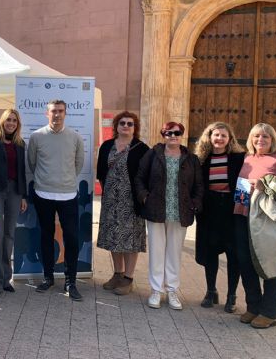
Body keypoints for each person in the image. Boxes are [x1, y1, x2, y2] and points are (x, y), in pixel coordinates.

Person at [135, 121, 203, 310]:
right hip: (156, 208)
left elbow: (198, 185)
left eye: (177, 133)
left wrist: (195, 203)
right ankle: (156, 290)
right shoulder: (153, 154)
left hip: (180, 210)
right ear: (163, 135)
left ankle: (172, 290)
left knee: (174, 252)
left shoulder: (191, 159)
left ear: (182, 135)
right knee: (157, 251)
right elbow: (139, 177)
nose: (173, 136)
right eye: (168, 133)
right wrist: (144, 197)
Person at [27, 99, 85, 301]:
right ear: (47, 113)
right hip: (43, 194)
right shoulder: (36, 137)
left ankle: (71, 282)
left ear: (65, 113)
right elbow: (32, 163)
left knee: (72, 238)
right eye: (53, 111)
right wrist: (46, 181)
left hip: (68, 195)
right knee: (46, 236)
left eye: (61, 111)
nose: (57, 114)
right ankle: (48, 277)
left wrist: (65, 181)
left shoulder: (75, 137)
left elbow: (78, 164)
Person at [234, 123, 276, 329]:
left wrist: (265, 183)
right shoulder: (247, 158)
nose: (260, 140)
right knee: (246, 263)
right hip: (242, 214)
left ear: (272, 138)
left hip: (267, 219)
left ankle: (269, 313)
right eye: (256, 136)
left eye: (265, 136)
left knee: (270, 263)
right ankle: (253, 307)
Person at [96, 111, 149, 296]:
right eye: (122, 123)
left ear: (135, 128)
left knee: (130, 239)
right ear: (116, 126)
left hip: (131, 202)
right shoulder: (107, 146)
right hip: (111, 201)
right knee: (113, 237)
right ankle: (117, 274)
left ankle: (128, 278)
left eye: (130, 123)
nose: (126, 126)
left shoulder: (142, 148)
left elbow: (146, 176)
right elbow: (101, 173)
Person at [193, 122, 244, 313]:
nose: (219, 139)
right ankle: (210, 290)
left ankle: (232, 296)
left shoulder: (239, 158)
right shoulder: (201, 159)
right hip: (209, 210)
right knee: (210, 251)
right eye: (216, 135)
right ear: (209, 137)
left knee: (233, 254)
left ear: (230, 139)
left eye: (224, 135)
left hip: (231, 210)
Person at [0, 109, 27, 297]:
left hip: (15, 192)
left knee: (9, 234)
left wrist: (23, 196)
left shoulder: (20, 143)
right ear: (2, 121)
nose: (11, 123)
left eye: (14, 120)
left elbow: (23, 171)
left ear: (18, 124)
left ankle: (5, 279)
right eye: (8, 119)